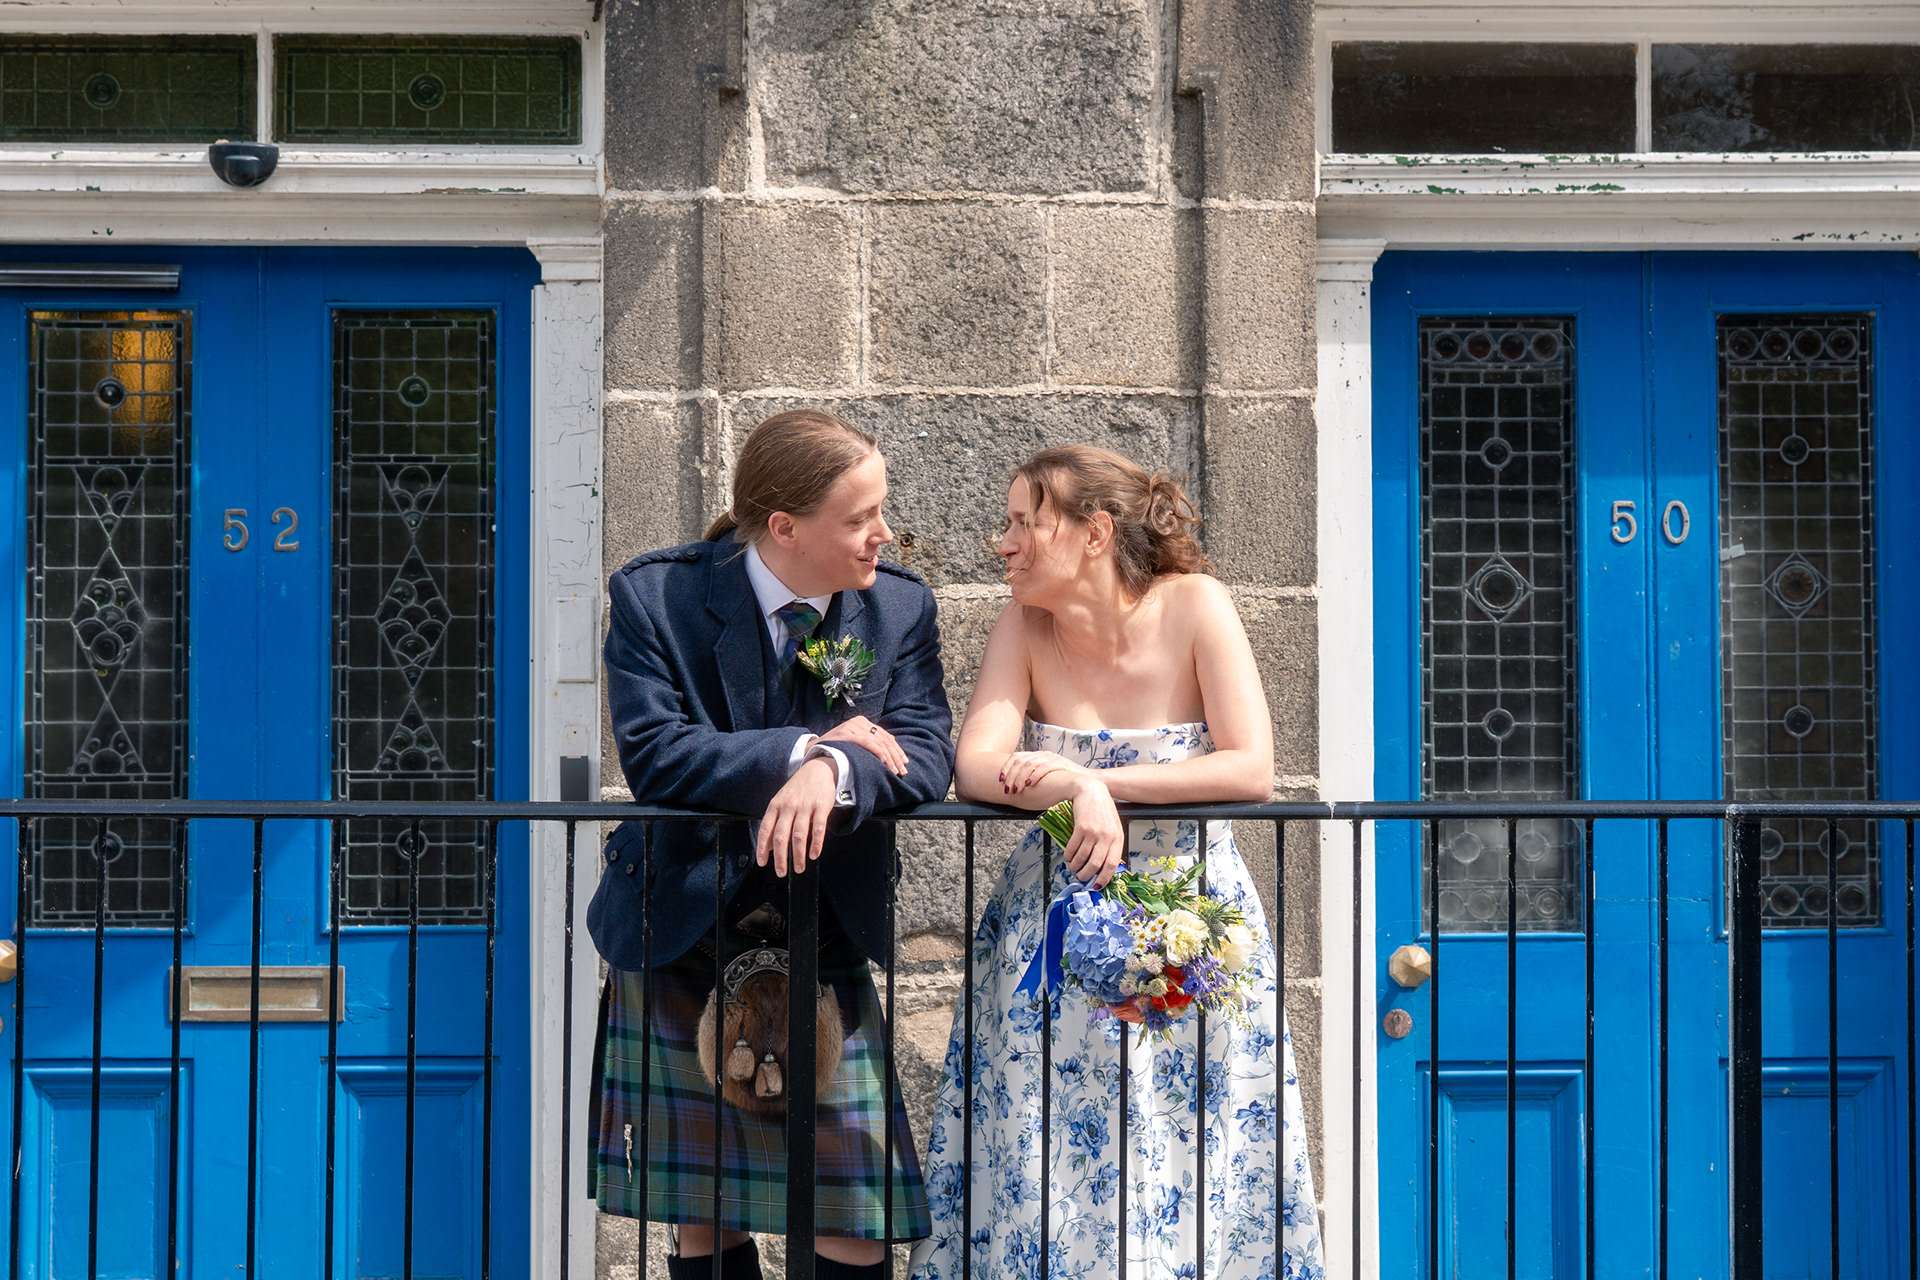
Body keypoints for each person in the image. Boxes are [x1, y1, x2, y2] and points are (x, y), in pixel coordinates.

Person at [907, 446, 1325, 1280]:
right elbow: (975, 765)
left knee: (1192, 1144)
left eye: (1026, 522)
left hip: (1195, 928)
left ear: (1094, 533)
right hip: (1051, 937)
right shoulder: (1022, 629)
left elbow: (1250, 767)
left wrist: (1099, 784)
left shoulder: (1196, 606)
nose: (1004, 542)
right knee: (1045, 1146)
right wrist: (1072, 792)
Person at [588, 409, 955, 1280]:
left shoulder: (897, 607)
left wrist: (837, 777)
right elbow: (657, 754)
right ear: (784, 527)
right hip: (683, 925)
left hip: (822, 928)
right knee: (703, 1216)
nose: (885, 532)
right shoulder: (658, 598)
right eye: (861, 516)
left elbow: (927, 750)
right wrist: (807, 750)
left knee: (855, 1217)